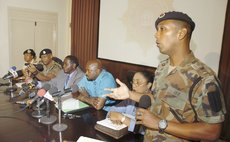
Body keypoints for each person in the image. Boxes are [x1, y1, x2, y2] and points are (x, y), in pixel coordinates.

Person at [105, 11, 226, 142]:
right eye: (157, 30)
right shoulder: (162, 67)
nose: (156, 34)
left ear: (181, 33)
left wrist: (160, 123)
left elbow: (212, 131)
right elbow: (156, 99)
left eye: (162, 29)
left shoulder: (204, 78)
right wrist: (129, 94)